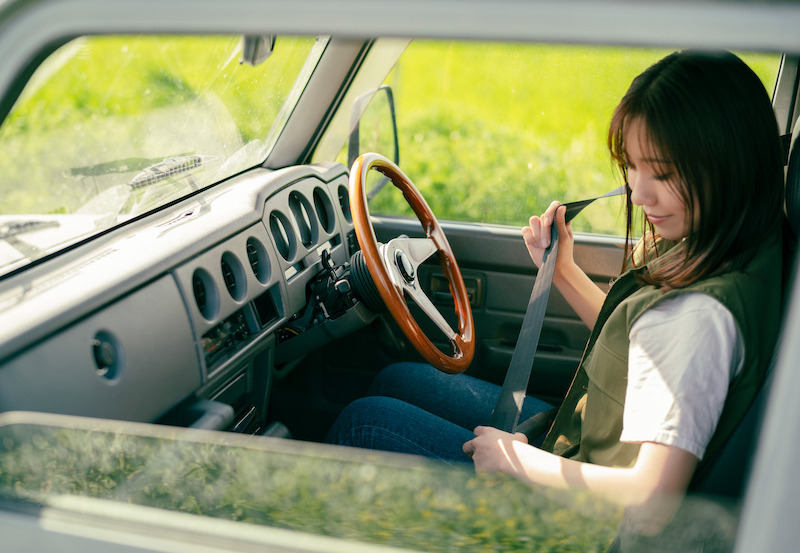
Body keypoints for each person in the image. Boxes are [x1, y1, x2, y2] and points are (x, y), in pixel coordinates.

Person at [327, 50, 785, 510]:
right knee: (395, 380)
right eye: (631, 165)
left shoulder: (696, 317)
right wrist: (562, 270)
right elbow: (635, 348)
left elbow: (652, 499)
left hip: (581, 518)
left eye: (663, 173)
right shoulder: (727, 243)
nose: (639, 192)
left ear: (729, 164)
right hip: (583, 444)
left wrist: (518, 462)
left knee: (363, 423)